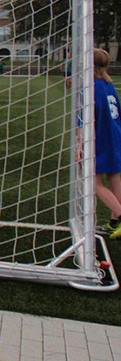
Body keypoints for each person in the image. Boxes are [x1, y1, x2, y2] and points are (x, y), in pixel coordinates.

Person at [84, 49, 121, 238]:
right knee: (114, 178)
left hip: (102, 139)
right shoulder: (108, 84)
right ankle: (115, 223)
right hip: (115, 135)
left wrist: (80, 144)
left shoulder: (93, 87)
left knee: (94, 183)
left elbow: (88, 118)